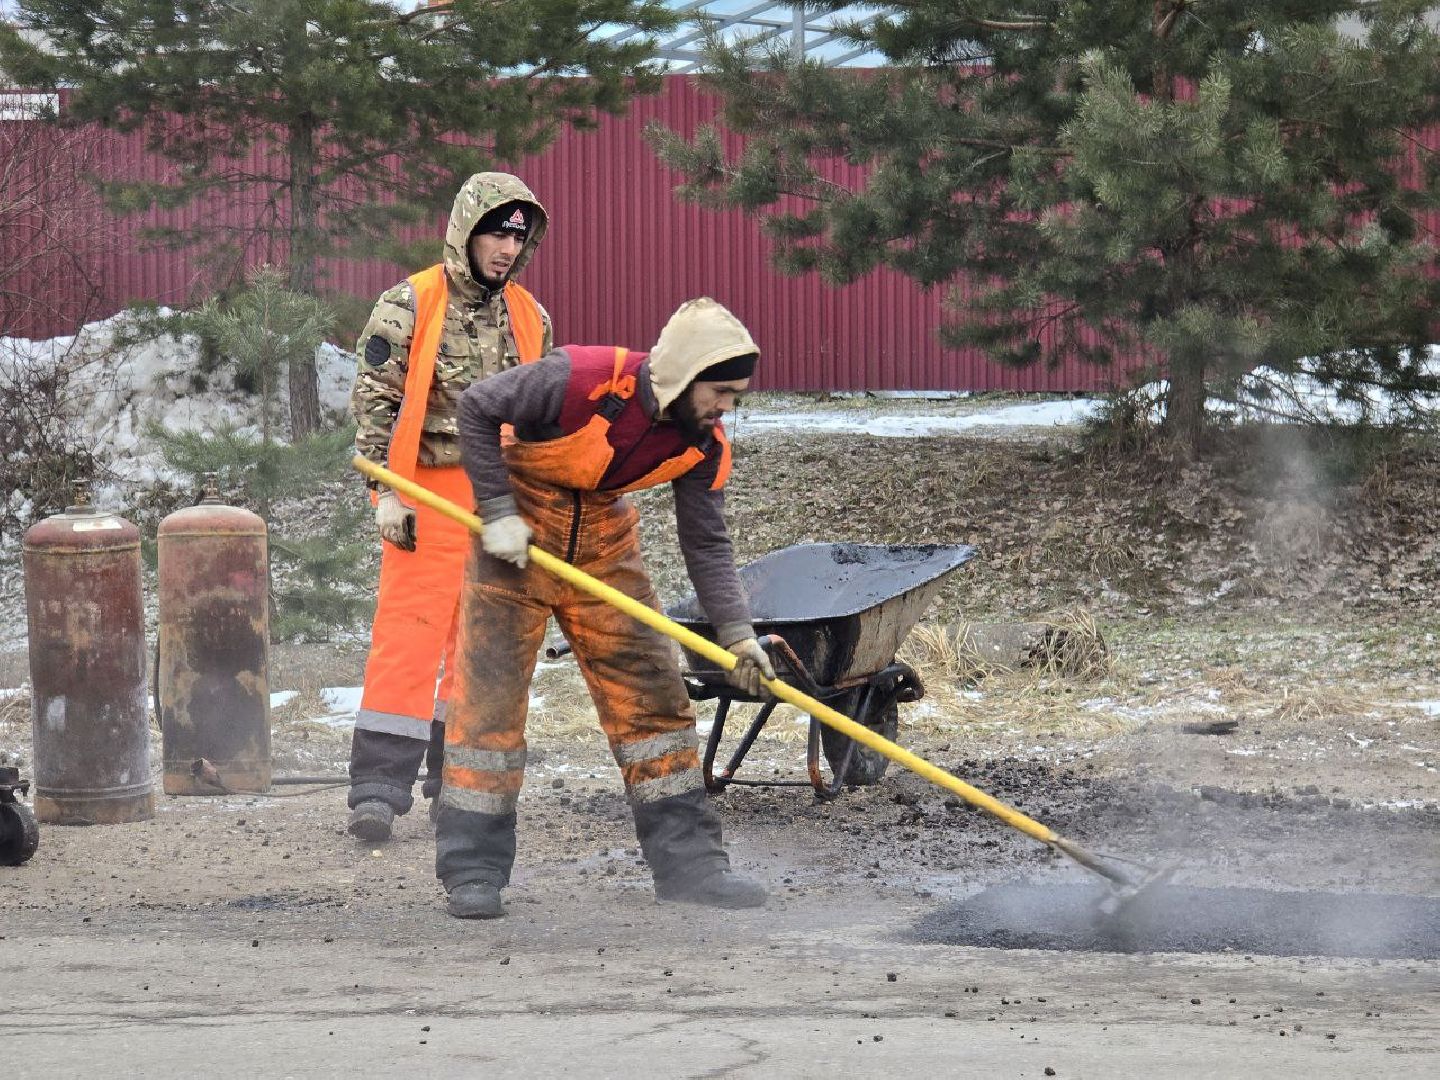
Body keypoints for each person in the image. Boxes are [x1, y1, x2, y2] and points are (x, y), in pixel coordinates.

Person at [438, 297, 774, 919]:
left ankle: (692, 869)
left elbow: (707, 542)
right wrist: (499, 512)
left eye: (736, 395)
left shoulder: (703, 444)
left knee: (655, 700)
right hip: (516, 541)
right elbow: (478, 406)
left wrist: (737, 635)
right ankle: (472, 872)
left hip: (603, 547)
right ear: (684, 375)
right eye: (722, 391)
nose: (728, 406)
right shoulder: (579, 377)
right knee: (488, 704)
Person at [346, 173, 552, 842]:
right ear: (466, 233)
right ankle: (378, 791)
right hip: (426, 494)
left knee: (481, 649)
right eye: (496, 235)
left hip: (499, 500)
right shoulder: (409, 303)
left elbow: (542, 419)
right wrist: (386, 492)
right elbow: (375, 404)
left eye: (518, 238)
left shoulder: (532, 317)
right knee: (409, 638)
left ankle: (458, 788)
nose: (507, 250)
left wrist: (536, 507)